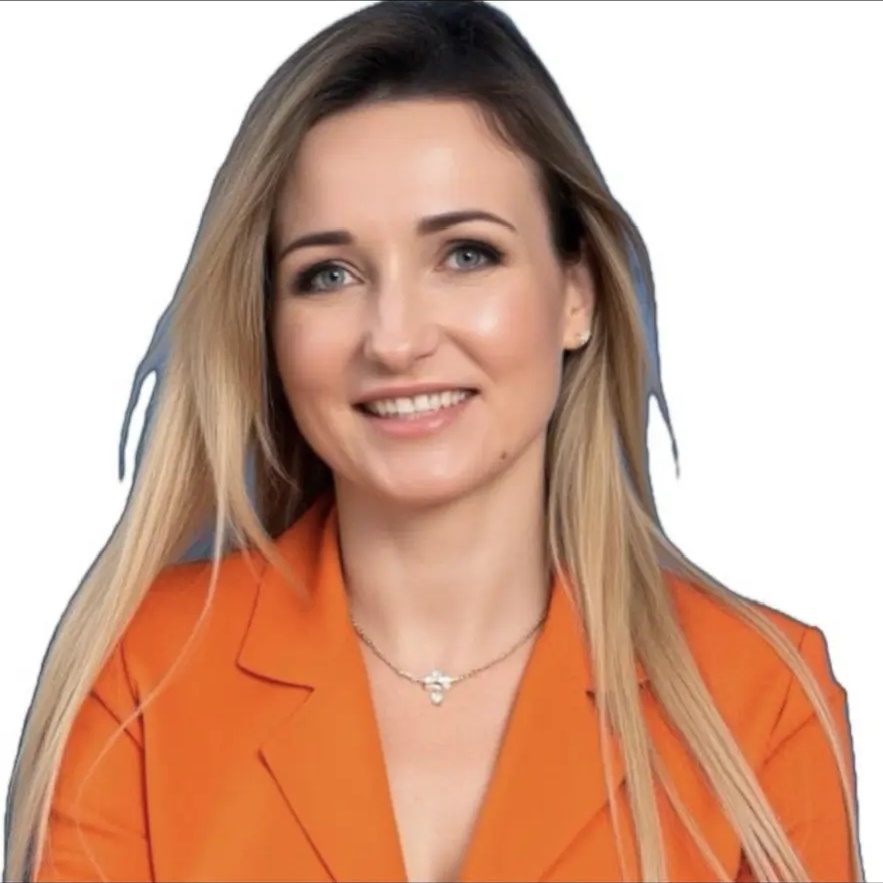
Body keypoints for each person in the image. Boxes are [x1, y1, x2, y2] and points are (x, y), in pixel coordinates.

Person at [4, 1, 863, 881]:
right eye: (328, 273)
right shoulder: (145, 671)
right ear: (268, 325)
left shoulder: (760, 700)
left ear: (576, 293)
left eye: (465, 254)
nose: (395, 338)